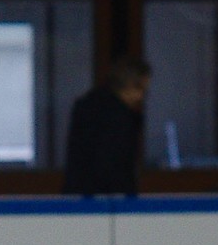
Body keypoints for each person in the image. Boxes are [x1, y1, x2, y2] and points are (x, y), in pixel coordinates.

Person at [62, 55, 152, 195]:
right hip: (108, 199)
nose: (141, 97)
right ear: (129, 85)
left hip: (79, 196)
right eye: (142, 90)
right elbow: (115, 165)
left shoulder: (87, 106)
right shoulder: (120, 118)